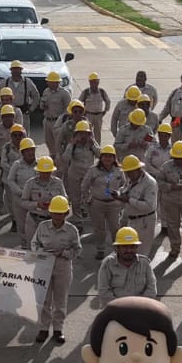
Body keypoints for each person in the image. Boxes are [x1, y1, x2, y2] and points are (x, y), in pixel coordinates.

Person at [31, 195, 80, 345]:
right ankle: (43, 328)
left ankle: (58, 329)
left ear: (66, 213)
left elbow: (77, 249)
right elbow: (34, 244)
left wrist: (64, 253)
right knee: (43, 300)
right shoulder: (42, 227)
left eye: (61, 213)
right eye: (55, 213)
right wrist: (42, 252)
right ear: (50, 213)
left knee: (60, 299)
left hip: (62, 266)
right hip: (43, 266)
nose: (57, 216)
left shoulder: (71, 230)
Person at [82, 146, 123, 260]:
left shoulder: (119, 170)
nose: (107, 159)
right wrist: (87, 199)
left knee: (115, 228)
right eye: (105, 156)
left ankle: (118, 250)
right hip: (97, 204)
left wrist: (120, 197)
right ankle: (100, 249)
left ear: (114, 158)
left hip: (114, 204)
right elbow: (84, 186)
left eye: (110, 156)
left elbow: (124, 186)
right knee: (99, 229)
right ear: (101, 157)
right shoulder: (93, 170)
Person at [116, 155, 159, 255]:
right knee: (129, 250)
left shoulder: (150, 183)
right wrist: (118, 193)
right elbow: (125, 188)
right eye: (126, 172)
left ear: (139, 169)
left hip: (145, 221)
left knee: (141, 252)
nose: (127, 174)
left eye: (130, 172)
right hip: (131, 218)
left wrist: (128, 200)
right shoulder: (131, 178)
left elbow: (149, 206)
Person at [20, 156, 67, 245]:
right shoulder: (30, 183)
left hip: (52, 222)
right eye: (43, 172)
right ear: (38, 171)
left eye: (48, 172)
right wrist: (36, 204)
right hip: (34, 220)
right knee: (32, 247)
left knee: (52, 247)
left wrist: (55, 205)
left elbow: (65, 200)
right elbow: (23, 202)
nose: (46, 175)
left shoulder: (58, 183)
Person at [59, 121, 99, 222]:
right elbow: (65, 158)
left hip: (88, 174)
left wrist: (93, 145)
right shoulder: (72, 144)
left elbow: (100, 155)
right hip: (75, 174)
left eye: (85, 133)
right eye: (80, 133)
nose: (83, 136)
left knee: (89, 196)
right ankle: (77, 217)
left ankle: (90, 216)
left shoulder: (91, 143)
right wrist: (71, 144)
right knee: (75, 197)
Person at [40, 73, 72, 156]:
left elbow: (68, 109)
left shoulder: (64, 93)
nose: (50, 84)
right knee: (48, 142)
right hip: (47, 121)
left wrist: (62, 121)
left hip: (57, 122)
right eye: (49, 82)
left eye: (54, 82)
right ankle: (52, 157)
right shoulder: (46, 91)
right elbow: (41, 104)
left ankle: (59, 158)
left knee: (58, 143)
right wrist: (43, 105)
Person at [79, 72, 111, 142]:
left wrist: (105, 111)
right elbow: (79, 102)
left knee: (98, 133)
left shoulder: (102, 92)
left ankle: (97, 147)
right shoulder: (86, 92)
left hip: (99, 116)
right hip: (88, 115)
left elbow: (108, 101)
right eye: (92, 82)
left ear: (98, 82)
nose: (94, 84)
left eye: (96, 82)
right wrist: (82, 113)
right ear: (89, 82)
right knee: (87, 132)